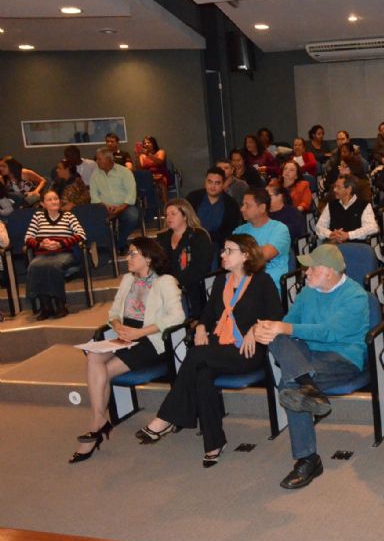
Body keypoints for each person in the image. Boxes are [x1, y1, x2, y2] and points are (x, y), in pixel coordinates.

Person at [136, 234, 281, 467]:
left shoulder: (262, 281)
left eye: (229, 251)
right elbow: (207, 314)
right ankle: (214, 442)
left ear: (245, 255)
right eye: (223, 250)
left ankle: (167, 418)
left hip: (247, 350)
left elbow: (276, 317)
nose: (222, 254)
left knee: (196, 354)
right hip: (220, 347)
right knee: (203, 376)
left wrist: (255, 329)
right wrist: (202, 327)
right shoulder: (222, 281)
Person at [254, 244, 369, 489]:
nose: (306, 272)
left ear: (329, 271)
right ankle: (307, 385)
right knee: (277, 337)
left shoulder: (355, 296)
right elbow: (288, 323)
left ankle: (308, 459)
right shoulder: (308, 291)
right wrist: (267, 329)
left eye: (311, 268)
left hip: (342, 356)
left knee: (289, 386)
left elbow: (329, 332)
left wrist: (284, 328)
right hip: (307, 354)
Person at [70, 237, 184, 463]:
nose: (127, 258)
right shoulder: (127, 280)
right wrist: (117, 326)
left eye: (133, 254)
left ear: (148, 258)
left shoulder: (165, 281)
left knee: (102, 372)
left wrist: (140, 333)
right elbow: (113, 313)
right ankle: (99, 420)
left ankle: (95, 426)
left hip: (151, 341)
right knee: (93, 356)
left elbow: (177, 316)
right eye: (128, 253)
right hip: (125, 336)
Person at [24, 189, 86, 319]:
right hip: (43, 253)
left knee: (53, 266)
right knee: (34, 266)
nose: (54, 202)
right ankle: (46, 306)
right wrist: (41, 244)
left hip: (64, 252)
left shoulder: (69, 216)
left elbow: (81, 234)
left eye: (56, 199)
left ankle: (60, 304)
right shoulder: (38, 217)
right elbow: (28, 238)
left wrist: (60, 244)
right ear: (43, 204)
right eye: (49, 200)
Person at [156, 199, 214, 319]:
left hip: (193, 287)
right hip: (167, 288)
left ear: (185, 215)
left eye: (173, 214)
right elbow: (157, 264)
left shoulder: (199, 235)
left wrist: (175, 282)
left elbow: (201, 267)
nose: (169, 218)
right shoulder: (162, 237)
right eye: (167, 215)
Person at [234, 189, 291, 291]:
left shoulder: (279, 229)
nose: (242, 209)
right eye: (242, 205)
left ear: (262, 208)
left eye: (247, 205)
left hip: (271, 287)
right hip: (243, 285)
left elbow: (265, 254)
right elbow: (225, 260)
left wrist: (237, 255)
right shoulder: (239, 231)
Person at [90, 148, 139, 253]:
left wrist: (121, 207)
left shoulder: (124, 172)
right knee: (93, 219)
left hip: (124, 206)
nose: (97, 161)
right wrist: (105, 206)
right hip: (103, 207)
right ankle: (106, 247)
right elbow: (94, 196)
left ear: (109, 159)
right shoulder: (95, 174)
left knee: (133, 216)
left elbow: (131, 193)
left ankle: (119, 243)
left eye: (99, 159)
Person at [186, 167, 242, 253]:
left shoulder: (231, 204)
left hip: (218, 247)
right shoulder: (193, 198)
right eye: (210, 182)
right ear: (205, 181)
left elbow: (231, 230)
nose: (212, 186)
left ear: (223, 184)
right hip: (192, 243)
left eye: (217, 183)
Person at [314, 175, 378, 244]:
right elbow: (319, 227)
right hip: (334, 245)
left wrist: (348, 235)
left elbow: (372, 227)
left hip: (356, 245)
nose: (334, 190)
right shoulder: (331, 205)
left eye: (338, 187)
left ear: (349, 189)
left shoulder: (364, 205)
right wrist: (330, 234)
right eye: (335, 186)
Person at [137, 136, 172, 205]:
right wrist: (137, 156)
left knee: (161, 182)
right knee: (144, 183)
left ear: (153, 143)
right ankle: (150, 206)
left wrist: (149, 154)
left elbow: (160, 162)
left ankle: (165, 204)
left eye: (148, 142)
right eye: (144, 143)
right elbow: (139, 168)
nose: (146, 144)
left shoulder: (160, 152)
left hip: (161, 174)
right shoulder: (142, 156)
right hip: (148, 177)